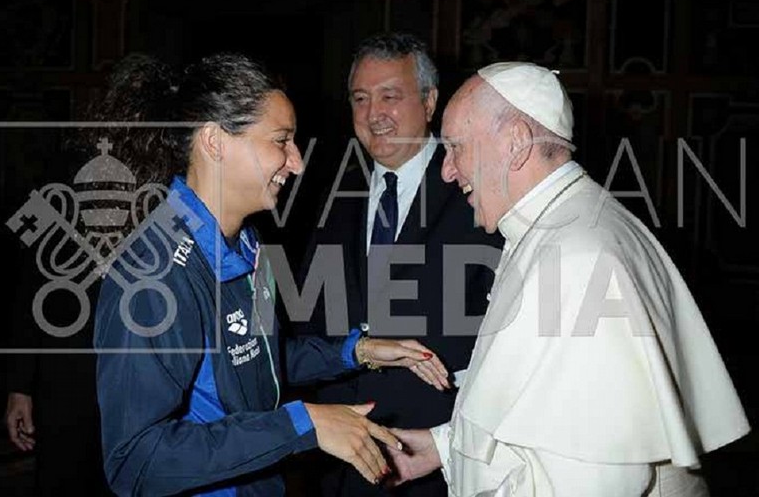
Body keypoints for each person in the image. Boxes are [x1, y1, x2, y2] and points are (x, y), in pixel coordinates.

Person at [385, 62, 752, 496]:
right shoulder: (559, 225)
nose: (447, 171)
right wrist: (441, 449)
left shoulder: (578, 258)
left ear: (517, 143)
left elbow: (593, 481)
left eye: (457, 148)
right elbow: (543, 422)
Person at [93, 52, 450, 497]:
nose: (297, 162)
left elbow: (259, 358)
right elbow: (135, 462)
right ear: (214, 141)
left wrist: (356, 351)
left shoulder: (249, 246)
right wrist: (302, 422)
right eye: (281, 141)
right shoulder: (154, 271)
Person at [289, 32, 503, 496]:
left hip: (435, 463)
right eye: (361, 99)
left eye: (390, 96)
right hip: (343, 463)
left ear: (429, 102)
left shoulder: (475, 194)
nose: (373, 115)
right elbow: (308, 320)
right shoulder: (333, 194)